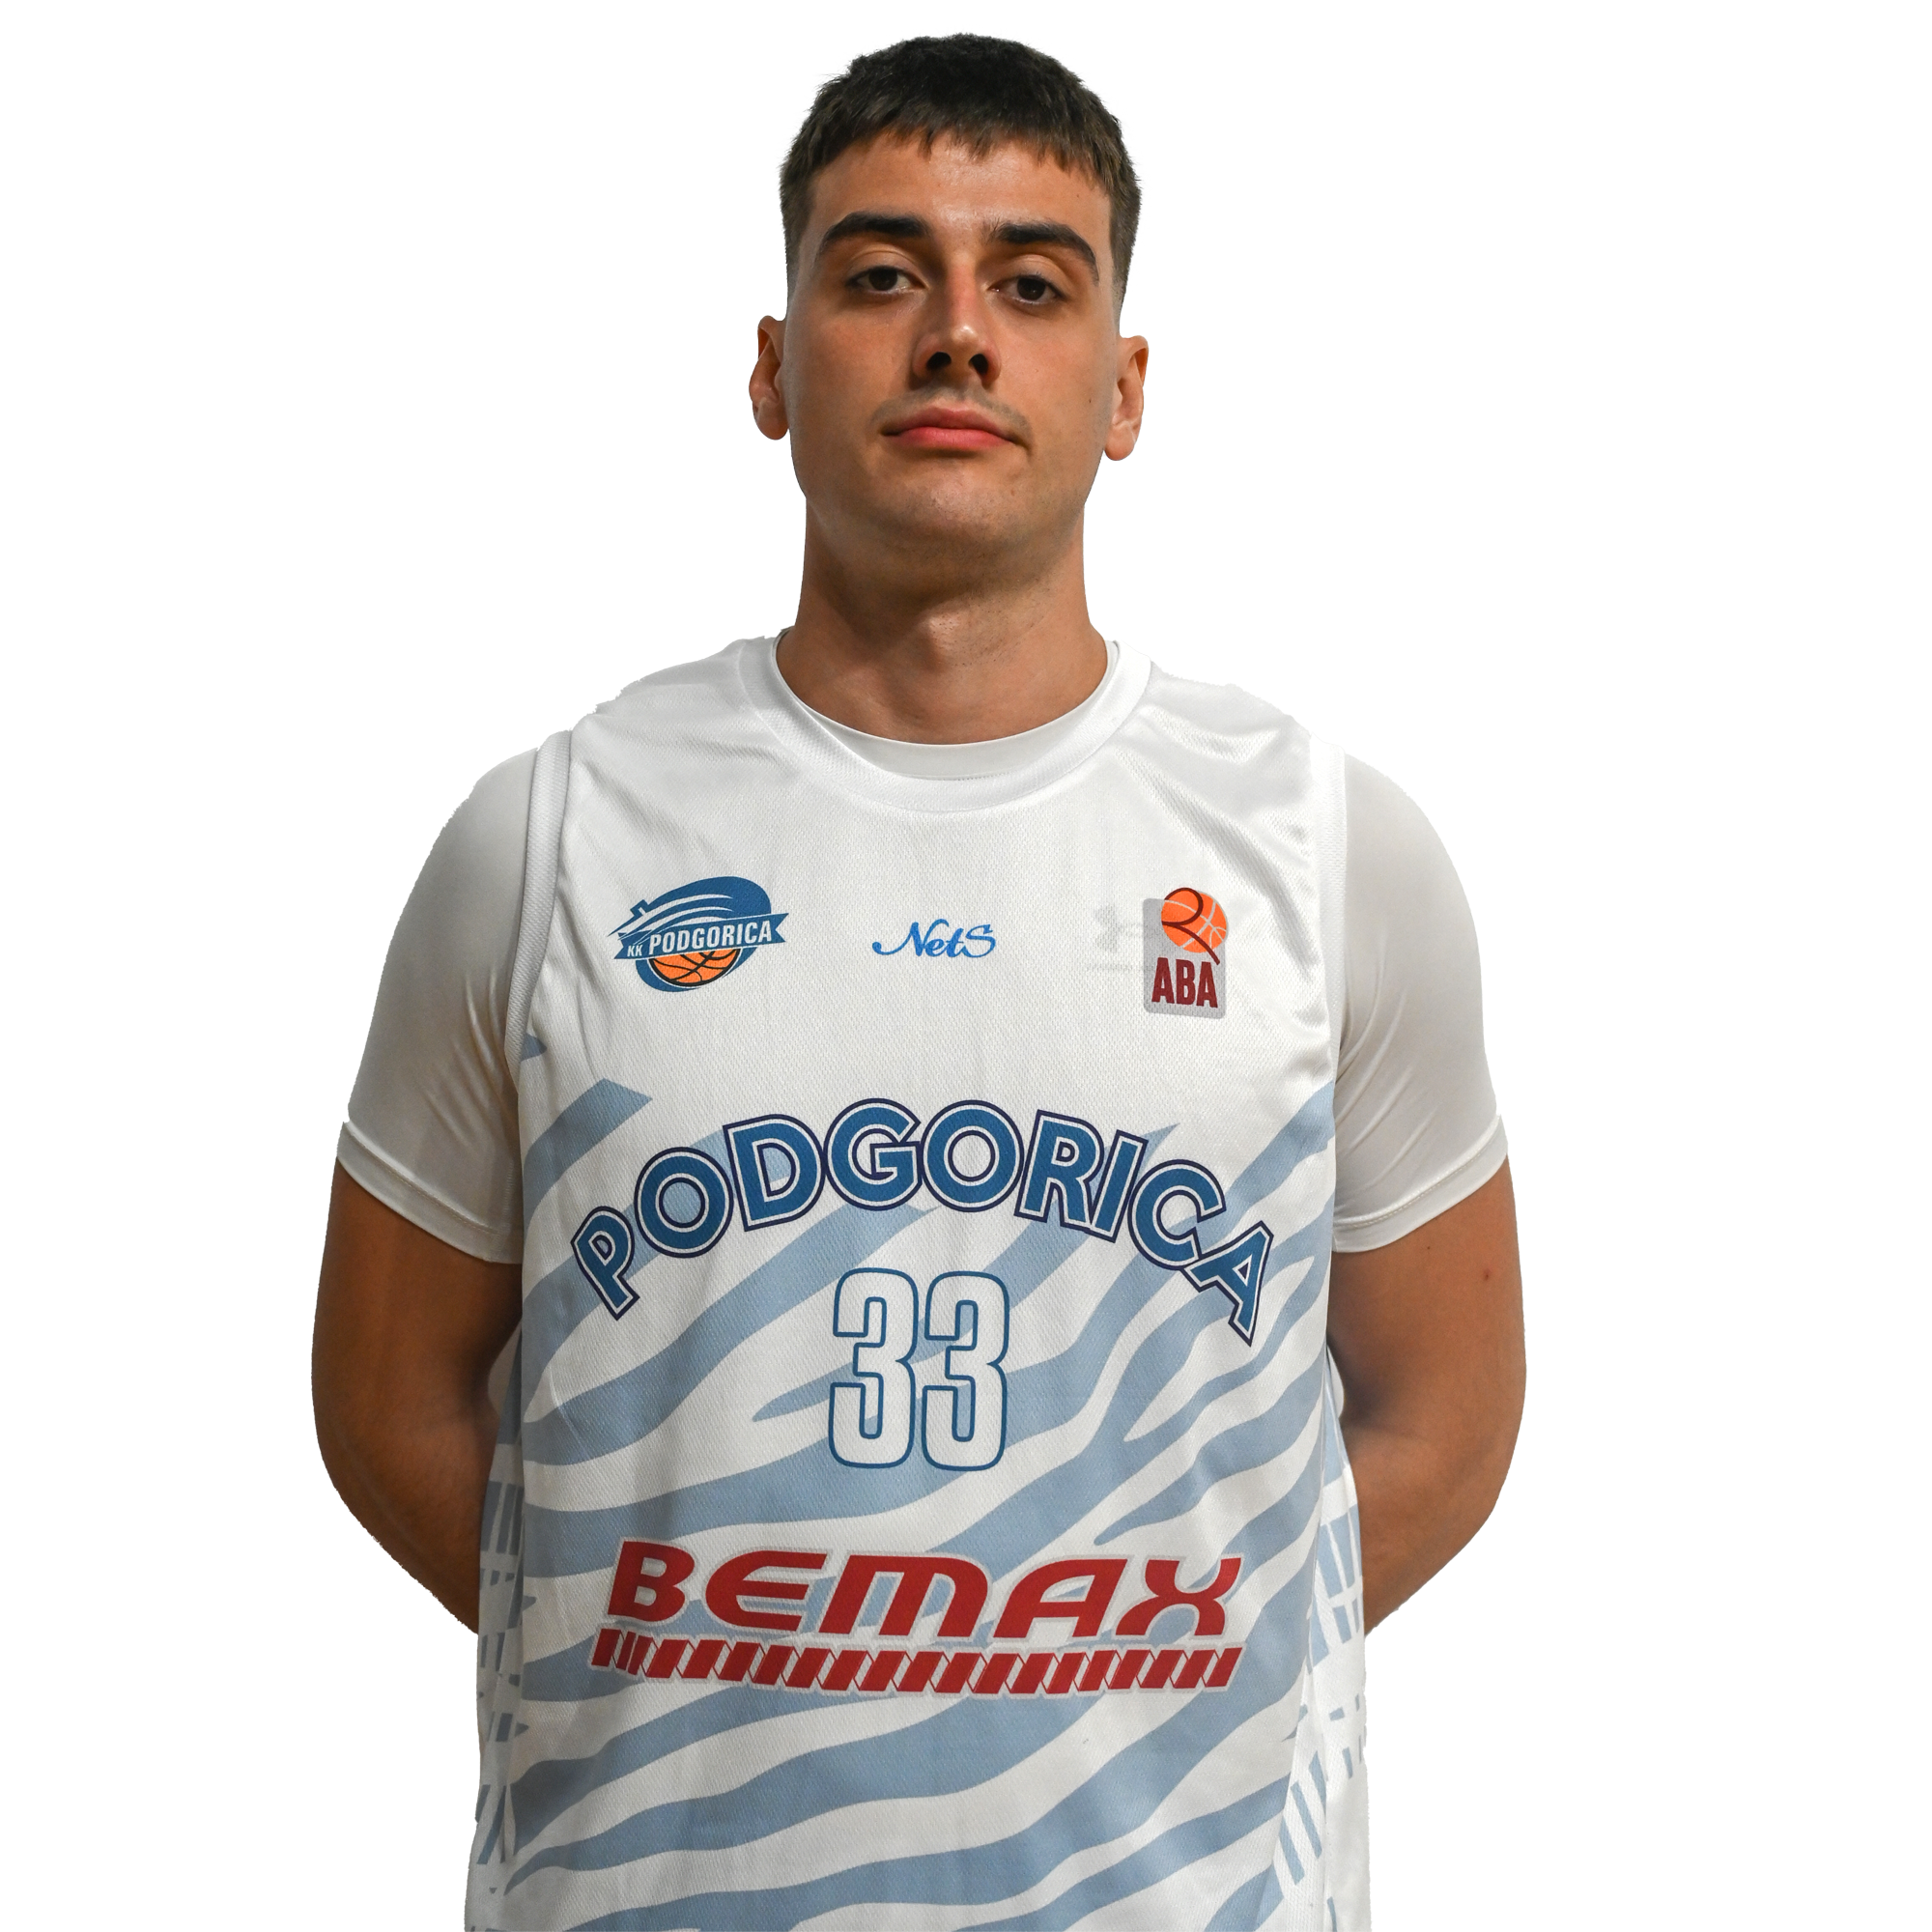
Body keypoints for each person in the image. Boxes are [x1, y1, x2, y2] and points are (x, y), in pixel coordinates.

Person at [314, 32, 1523, 1932]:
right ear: (774, 366)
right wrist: (664, 1641)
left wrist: (1114, 1661)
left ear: (1121, 386)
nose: (957, 334)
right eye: (881, 273)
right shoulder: (546, 841)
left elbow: (1446, 1412)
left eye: (1032, 285)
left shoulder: (1318, 847)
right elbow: (387, 1402)